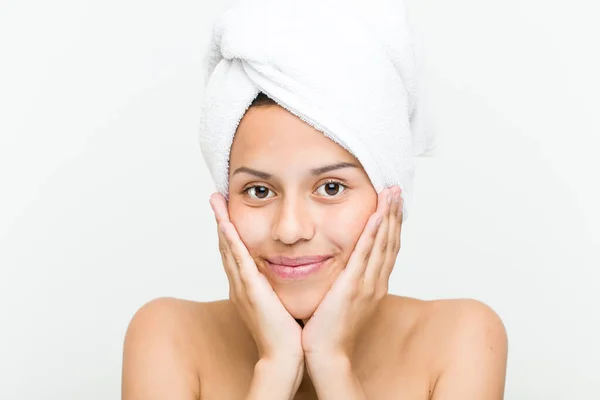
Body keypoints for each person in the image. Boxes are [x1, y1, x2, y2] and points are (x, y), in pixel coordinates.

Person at [121, 92, 508, 399]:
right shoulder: (168, 336)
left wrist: (331, 362)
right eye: (259, 191)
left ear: (389, 201)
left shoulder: (461, 339)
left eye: (331, 188)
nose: (290, 230)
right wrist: (275, 369)